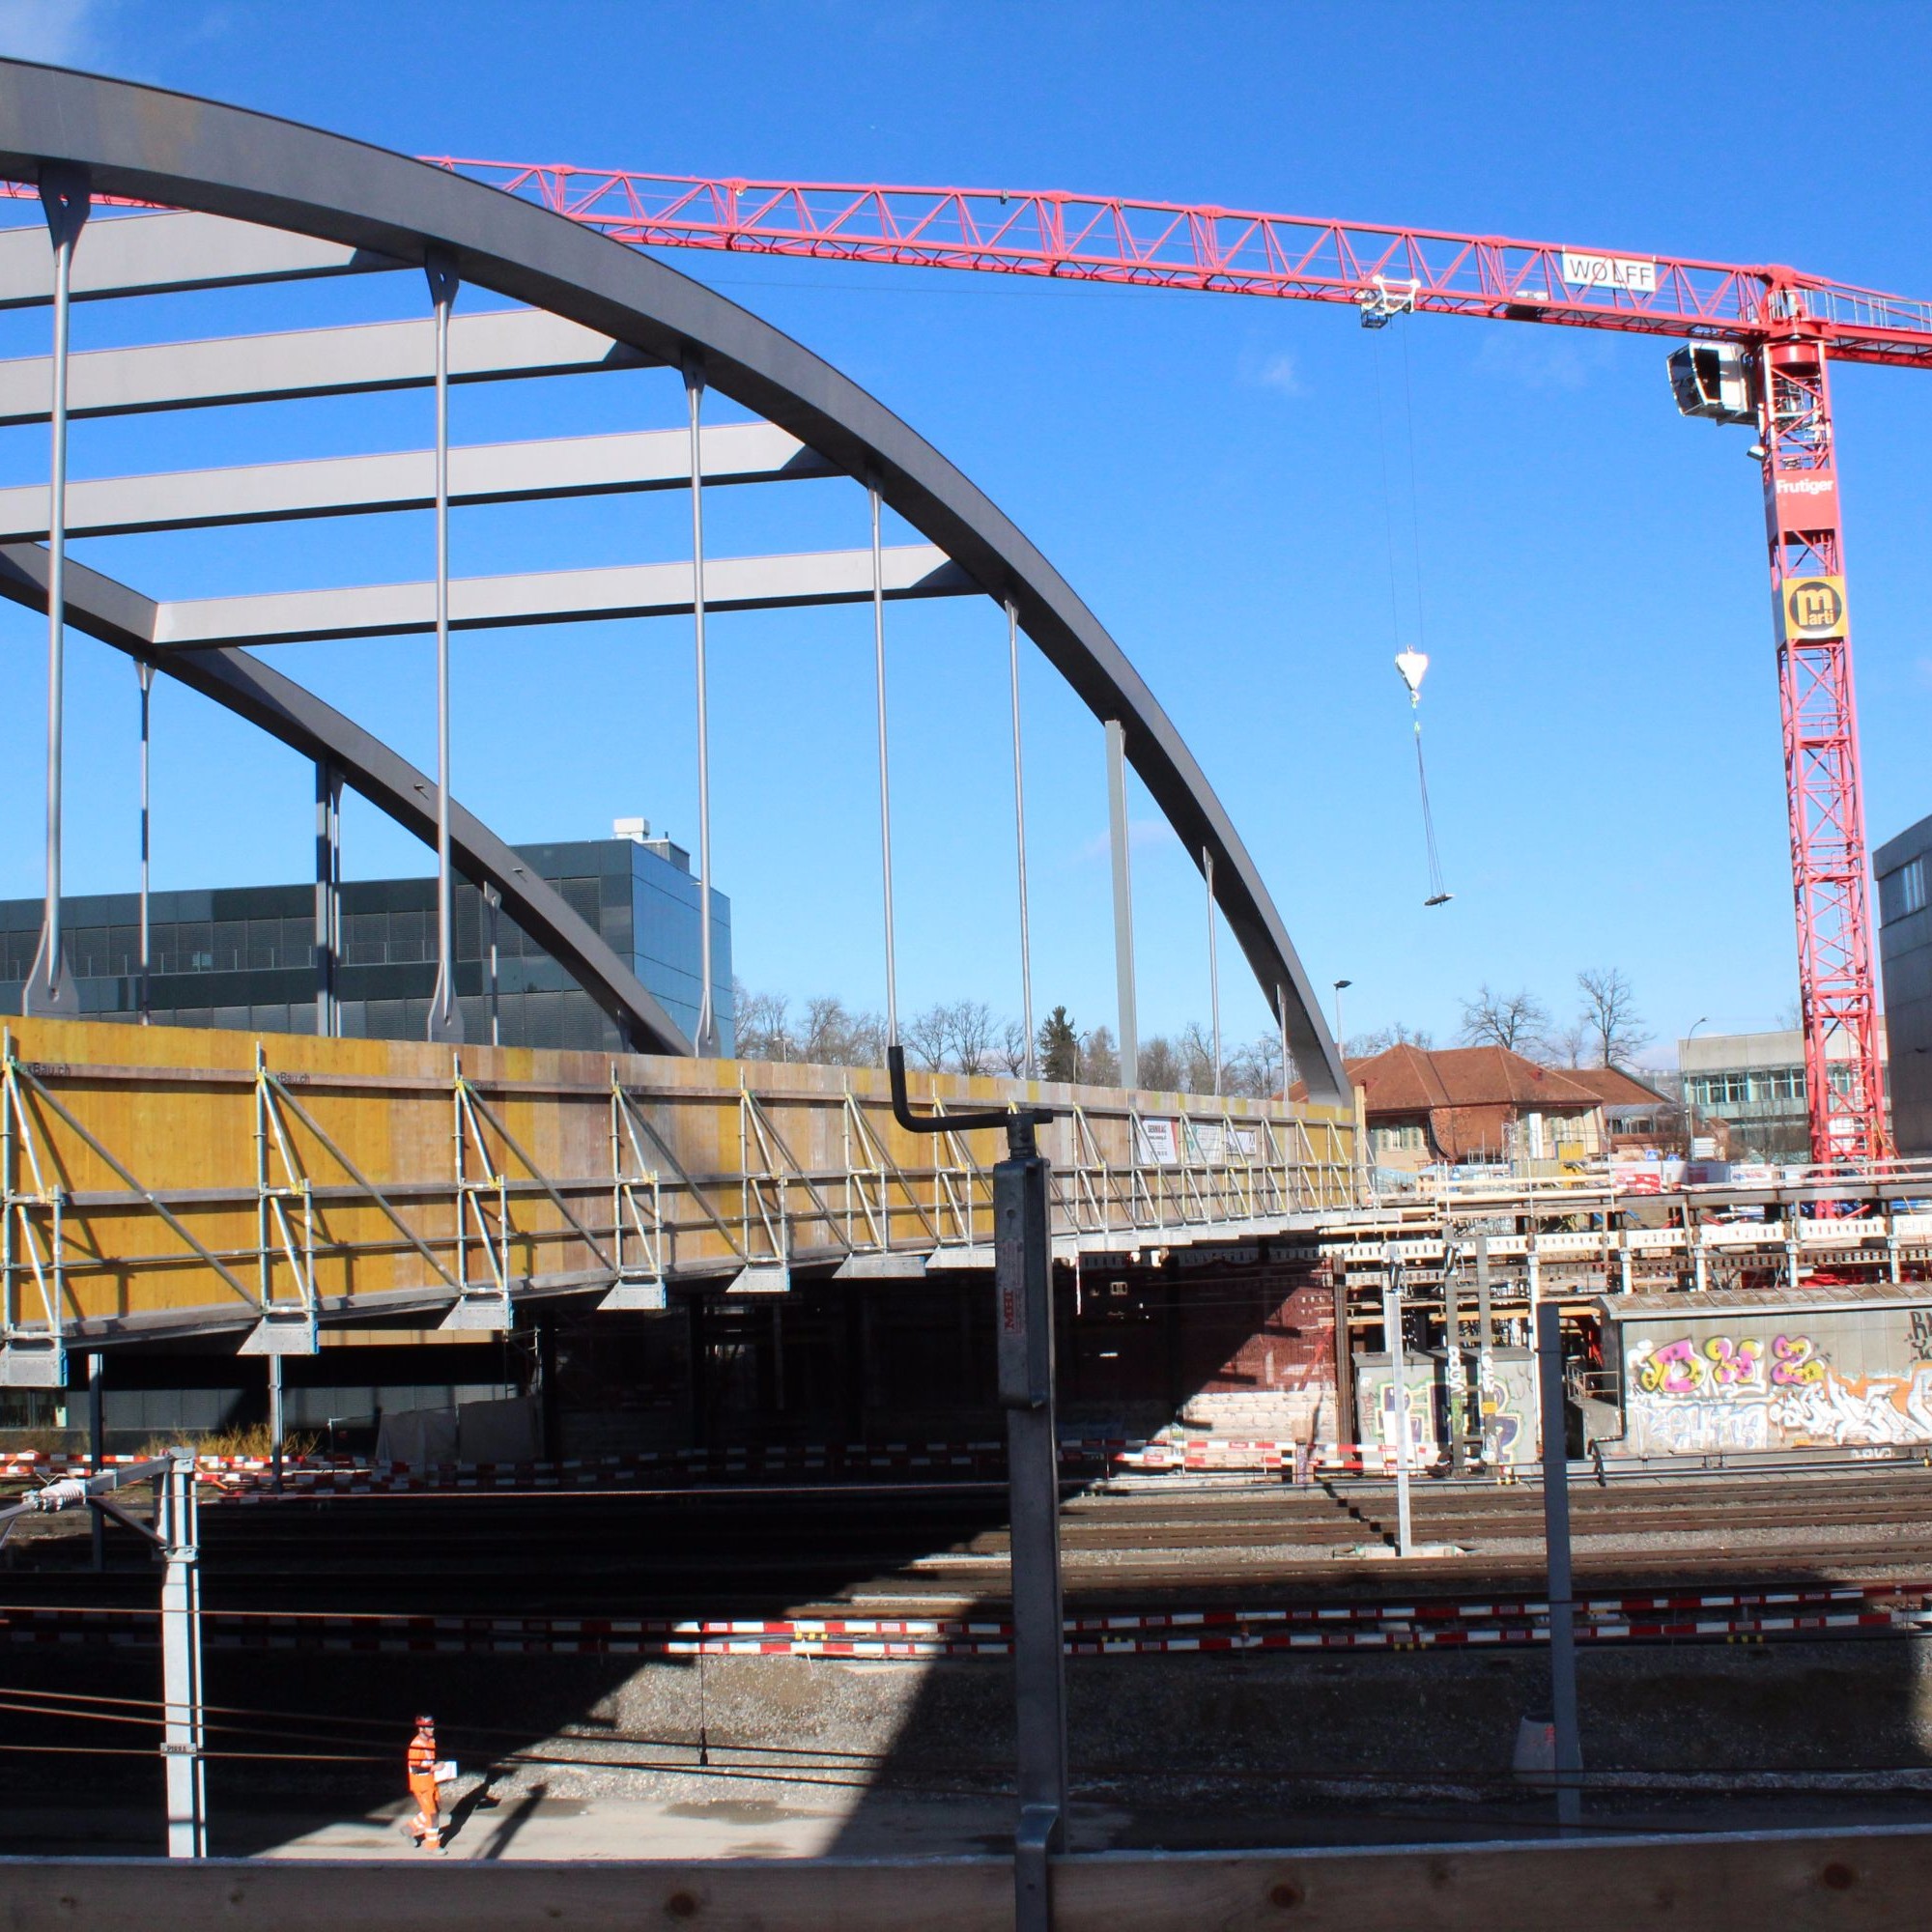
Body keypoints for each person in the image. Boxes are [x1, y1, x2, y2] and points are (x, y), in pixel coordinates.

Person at [406, 1715, 444, 1851]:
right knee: (432, 1814)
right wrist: (434, 1767)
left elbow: (431, 1758)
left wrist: (438, 1763)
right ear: (421, 1728)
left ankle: (409, 1828)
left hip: (430, 1781)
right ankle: (432, 1846)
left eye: (433, 1725)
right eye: (429, 1726)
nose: (432, 1729)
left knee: (437, 1808)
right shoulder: (416, 1745)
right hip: (421, 1785)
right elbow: (414, 1768)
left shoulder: (430, 1741)